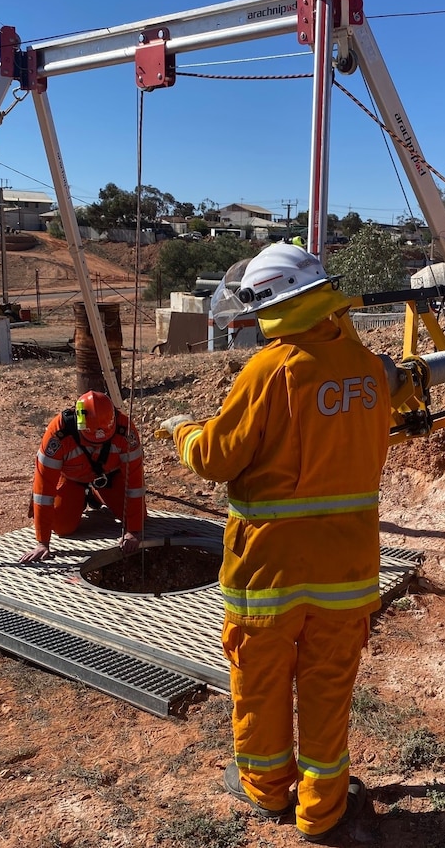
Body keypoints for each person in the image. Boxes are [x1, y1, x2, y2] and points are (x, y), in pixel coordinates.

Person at [160, 243, 391, 842]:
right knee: (327, 690)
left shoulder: (272, 368)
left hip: (267, 573)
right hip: (348, 572)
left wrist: (180, 429)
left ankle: (267, 792)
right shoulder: (367, 368)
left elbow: (216, 457)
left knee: (260, 687)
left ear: (269, 304)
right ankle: (321, 810)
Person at [19, 390, 146, 563]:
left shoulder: (126, 430)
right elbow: (43, 489)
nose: (99, 444)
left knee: (140, 518)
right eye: (92, 440)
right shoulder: (58, 434)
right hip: (72, 479)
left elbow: (135, 485)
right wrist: (43, 543)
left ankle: (96, 494)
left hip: (109, 478)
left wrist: (134, 531)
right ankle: (81, 497)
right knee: (62, 527)